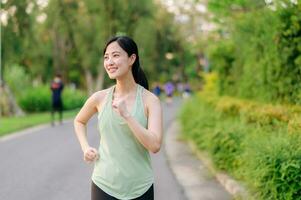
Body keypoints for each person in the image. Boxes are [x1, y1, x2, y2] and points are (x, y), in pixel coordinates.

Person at [73, 36, 163, 200]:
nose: (109, 62)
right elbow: (79, 121)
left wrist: (127, 116)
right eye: (106, 57)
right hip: (104, 184)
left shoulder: (150, 100)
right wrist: (85, 147)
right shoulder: (99, 98)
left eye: (115, 55)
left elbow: (155, 145)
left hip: (140, 187)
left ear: (131, 59)